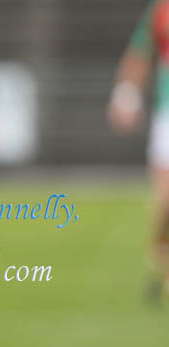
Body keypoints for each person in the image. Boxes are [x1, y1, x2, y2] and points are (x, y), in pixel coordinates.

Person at [107, 0, 169, 301]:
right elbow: (140, 53)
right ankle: (160, 256)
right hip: (168, 115)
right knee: (165, 201)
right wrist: (126, 95)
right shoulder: (161, 10)